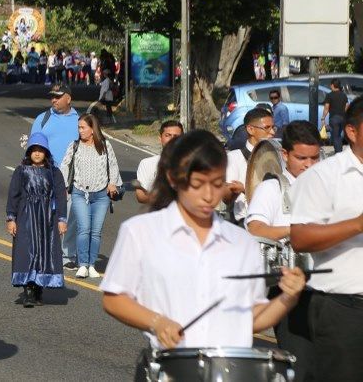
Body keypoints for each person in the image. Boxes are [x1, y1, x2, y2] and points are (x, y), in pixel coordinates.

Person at [101, 130, 305, 376]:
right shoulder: (140, 232)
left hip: (230, 371)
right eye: (198, 184)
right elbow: (114, 298)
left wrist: (287, 298)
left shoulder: (243, 243)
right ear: (174, 178)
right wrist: (157, 322)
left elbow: (252, 318)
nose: (209, 196)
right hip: (171, 369)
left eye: (218, 184)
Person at [290, 97, 363, 380]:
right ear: (352, 132)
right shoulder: (324, 176)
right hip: (345, 308)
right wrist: (357, 225)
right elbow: (301, 237)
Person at [245, 120, 321, 377]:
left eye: (314, 158)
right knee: (300, 364)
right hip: (288, 287)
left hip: (328, 287)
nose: (309, 165)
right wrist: (294, 231)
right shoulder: (272, 187)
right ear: (285, 154)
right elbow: (255, 228)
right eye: (302, 158)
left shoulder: (326, 185)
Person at [7, 132, 67, 307]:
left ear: (47, 152)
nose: (38, 153)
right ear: (29, 152)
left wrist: (61, 219)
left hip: (47, 217)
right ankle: (28, 290)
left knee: (44, 251)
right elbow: (13, 195)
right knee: (27, 251)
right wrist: (11, 218)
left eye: (41, 150)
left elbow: (61, 197)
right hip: (26, 216)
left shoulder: (54, 172)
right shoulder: (21, 170)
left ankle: (38, 288)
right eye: (34, 150)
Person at [60, 114, 122, 278]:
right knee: (84, 229)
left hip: (101, 195)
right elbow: (64, 166)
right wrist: (65, 186)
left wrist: (112, 183)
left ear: (92, 129)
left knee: (95, 232)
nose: (80, 131)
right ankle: (82, 265)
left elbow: (113, 166)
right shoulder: (74, 146)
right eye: (79, 127)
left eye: (83, 127)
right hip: (80, 193)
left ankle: (91, 265)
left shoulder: (105, 145)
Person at [29, 83, 81, 268]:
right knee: (44, 215)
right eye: (52, 96)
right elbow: (32, 148)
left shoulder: (80, 121)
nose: (54, 100)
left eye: (58, 97)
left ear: (69, 98)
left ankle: (67, 255)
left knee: (69, 216)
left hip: (71, 178)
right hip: (46, 175)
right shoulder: (42, 119)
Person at [225, 106, 275, 223]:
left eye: (273, 127)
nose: (272, 132)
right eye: (267, 128)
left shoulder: (277, 155)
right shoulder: (234, 157)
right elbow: (226, 197)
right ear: (250, 129)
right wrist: (243, 190)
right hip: (246, 222)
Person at [134, 120, 184, 205]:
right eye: (168, 135)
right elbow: (140, 196)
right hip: (156, 215)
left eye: (176, 136)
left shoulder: (192, 164)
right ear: (160, 138)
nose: (172, 139)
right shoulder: (147, 163)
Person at [322, 79, 348, 153]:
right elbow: (347, 105)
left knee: (336, 137)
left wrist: (323, 118)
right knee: (338, 135)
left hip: (334, 118)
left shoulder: (329, 95)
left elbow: (326, 108)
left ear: (332, 85)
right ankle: (339, 151)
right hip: (342, 118)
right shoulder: (343, 95)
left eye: (331, 85)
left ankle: (338, 153)